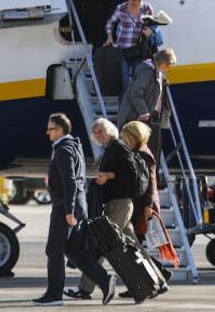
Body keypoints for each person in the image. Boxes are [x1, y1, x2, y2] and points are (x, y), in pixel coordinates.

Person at [34, 113, 116, 306]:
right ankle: (105, 280)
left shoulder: (63, 150)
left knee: (53, 250)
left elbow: (70, 181)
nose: (47, 133)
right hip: (77, 205)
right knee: (74, 250)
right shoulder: (72, 146)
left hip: (66, 206)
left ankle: (54, 295)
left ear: (61, 130)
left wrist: (69, 211)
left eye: (51, 129)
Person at [65, 118, 136, 300]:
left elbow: (132, 174)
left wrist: (109, 175)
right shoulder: (110, 149)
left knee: (100, 244)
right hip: (117, 203)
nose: (98, 136)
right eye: (95, 133)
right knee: (132, 247)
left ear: (110, 131)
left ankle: (85, 289)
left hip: (119, 204)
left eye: (101, 132)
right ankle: (151, 280)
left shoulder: (118, 148)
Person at [121, 120, 171, 298]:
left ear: (134, 136)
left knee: (134, 248)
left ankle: (154, 278)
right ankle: (155, 277)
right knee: (135, 247)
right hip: (139, 205)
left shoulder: (143, 154)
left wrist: (149, 206)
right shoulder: (139, 152)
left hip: (142, 206)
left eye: (126, 137)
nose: (124, 140)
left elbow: (151, 182)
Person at [117, 48, 177, 160]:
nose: (169, 68)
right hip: (135, 117)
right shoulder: (147, 72)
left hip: (144, 118)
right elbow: (136, 93)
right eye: (170, 65)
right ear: (163, 62)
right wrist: (143, 111)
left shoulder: (156, 72)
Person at [104, 0, 154, 94]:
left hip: (138, 51)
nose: (136, 3)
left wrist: (151, 30)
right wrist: (109, 36)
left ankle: (135, 109)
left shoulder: (147, 8)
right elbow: (110, 23)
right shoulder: (121, 8)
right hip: (122, 50)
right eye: (133, 0)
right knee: (124, 82)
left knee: (137, 82)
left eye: (139, 0)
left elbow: (153, 25)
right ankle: (123, 109)